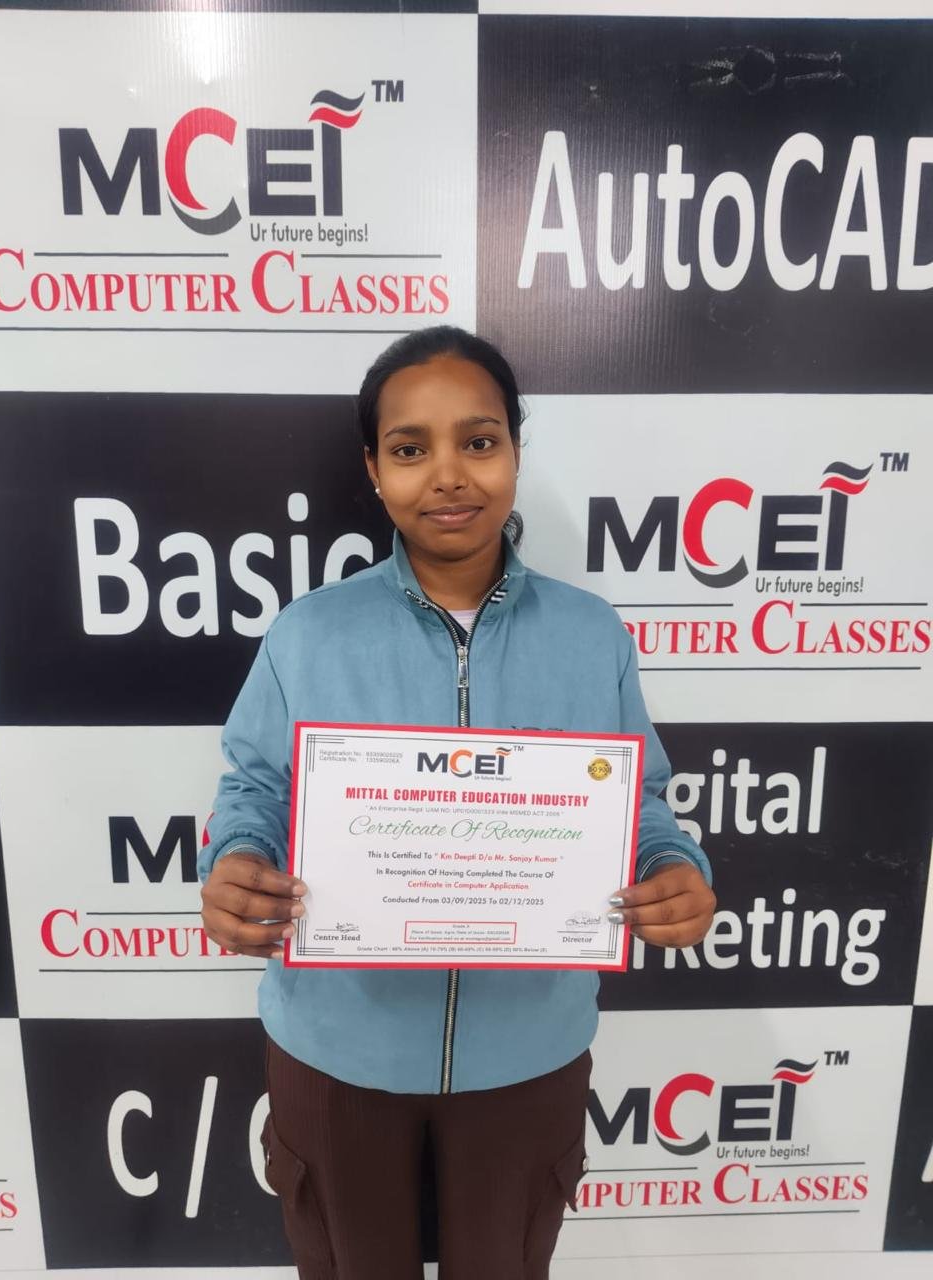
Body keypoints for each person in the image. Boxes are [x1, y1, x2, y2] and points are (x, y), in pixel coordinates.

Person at [198, 326, 715, 1280]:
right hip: (340, 1051)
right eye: (410, 449)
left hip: (527, 1055)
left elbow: (636, 798)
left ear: (516, 448)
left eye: (479, 441)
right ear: (373, 468)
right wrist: (236, 859)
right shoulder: (310, 635)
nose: (448, 475)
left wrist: (671, 864)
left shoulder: (591, 636)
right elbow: (256, 787)